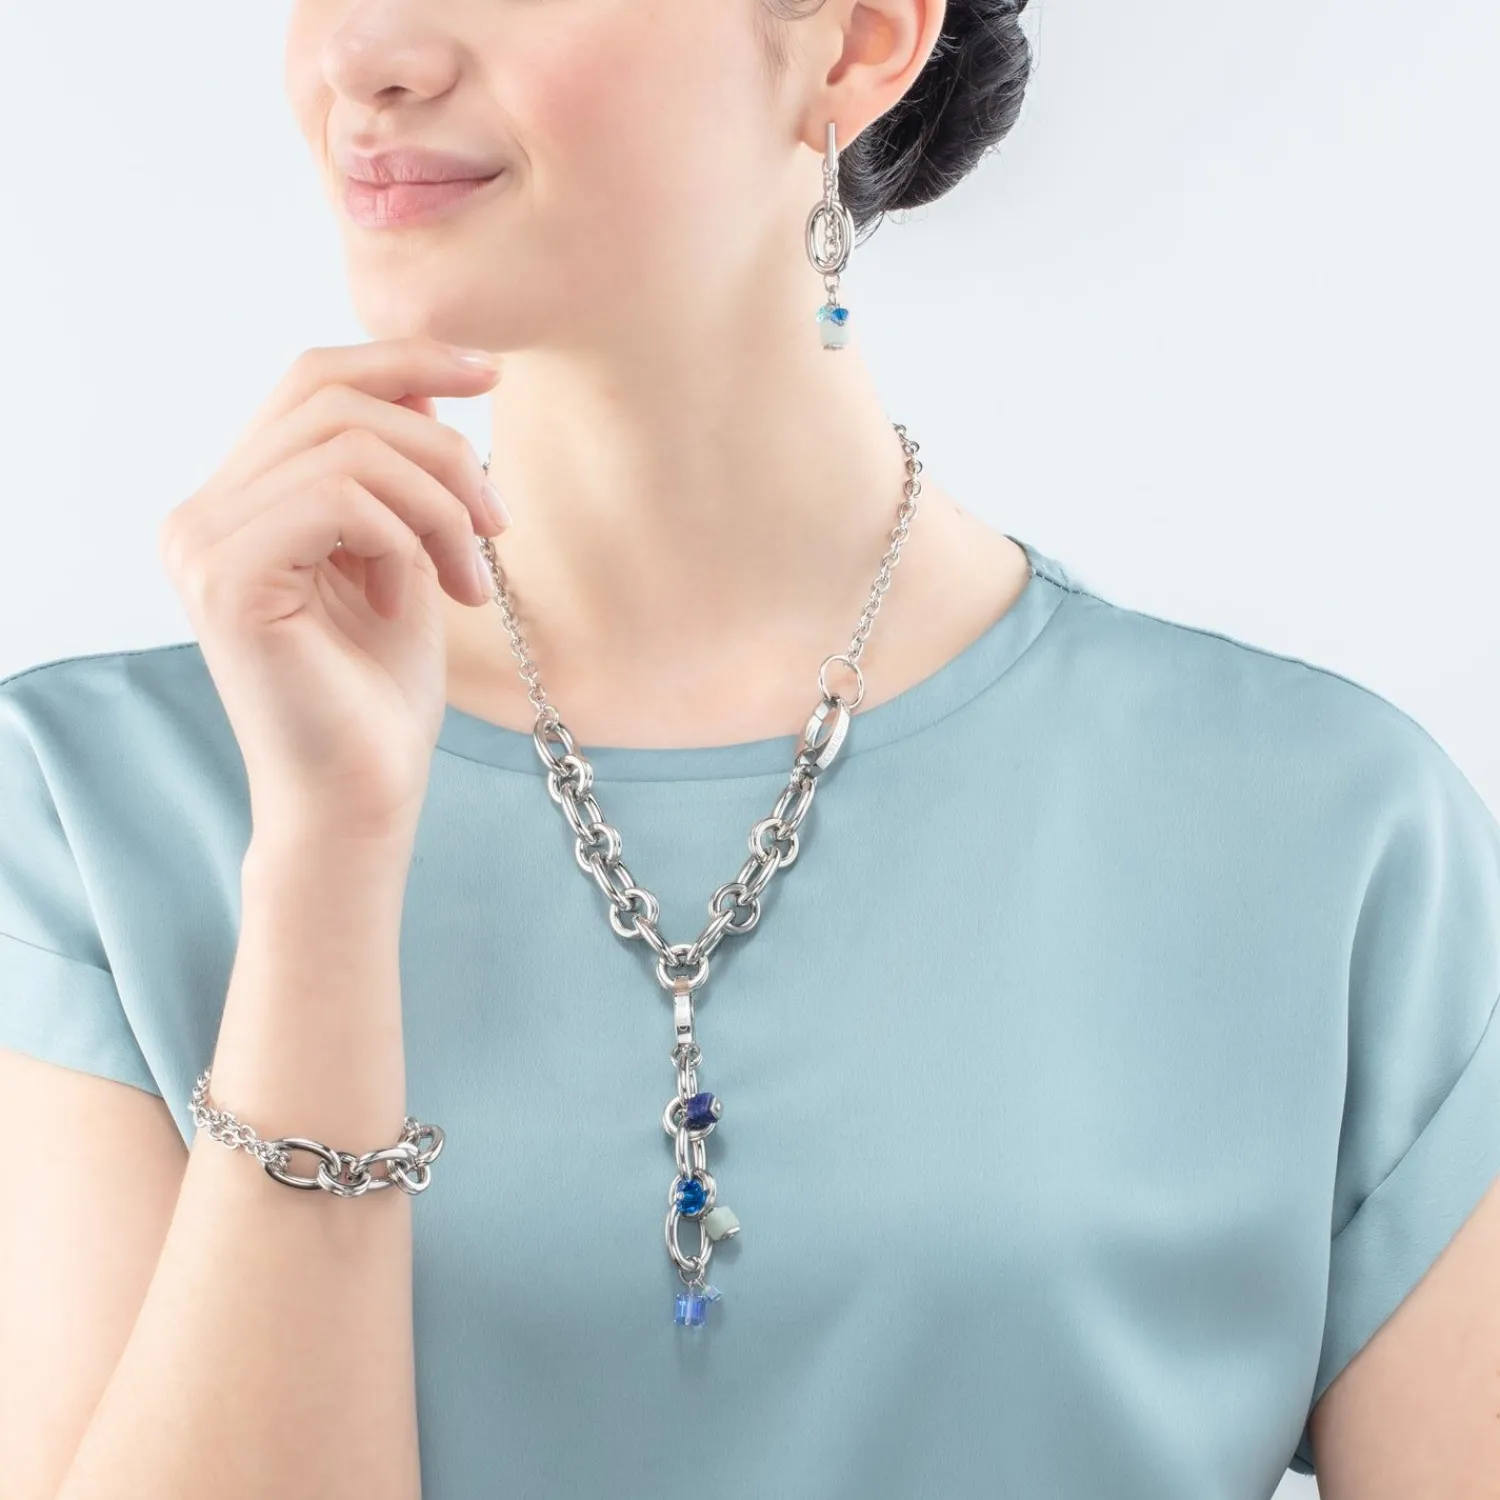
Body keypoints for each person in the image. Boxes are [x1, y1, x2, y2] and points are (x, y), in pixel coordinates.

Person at [1, 1, 1496, 1497]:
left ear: (856, 40)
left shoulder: (1326, 839)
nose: (364, 54)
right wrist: (321, 865)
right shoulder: (85, 819)